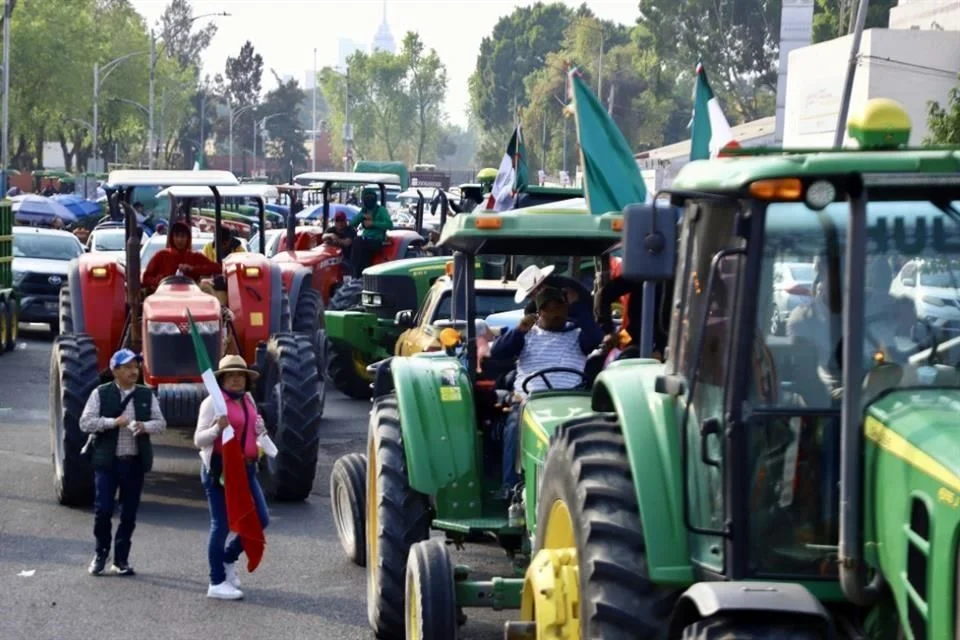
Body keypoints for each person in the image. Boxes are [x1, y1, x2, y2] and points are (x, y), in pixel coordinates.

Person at [489, 286, 602, 496]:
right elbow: (497, 352)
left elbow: (596, 337)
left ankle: (589, 485)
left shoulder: (578, 335)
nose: (555, 314)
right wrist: (519, 330)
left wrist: (580, 307)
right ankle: (510, 485)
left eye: (560, 308)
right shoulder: (526, 335)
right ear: (539, 312)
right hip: (529, 400)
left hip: (571, 399)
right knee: (513, 426)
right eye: (549, 309)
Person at [79, 349, 166, 576]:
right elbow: (85, 423)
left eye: (135, 367)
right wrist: (111, 422)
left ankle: (121, 559)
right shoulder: (101, 393)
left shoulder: (146, 395)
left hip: (134, 463)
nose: (133, 371)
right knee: (103, 510)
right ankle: (101, 553)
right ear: (115, 370)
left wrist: (144, 426)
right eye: (127, 367)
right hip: (107, 464)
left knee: (129, 514)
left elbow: (161, 423)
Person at [194, 355, 270, 601]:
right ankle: (216, 581)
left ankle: (228, 558)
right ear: (222, 379)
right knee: (222, 525)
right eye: (230, 375)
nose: (236, 379)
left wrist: (260, 432)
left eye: (240, 375)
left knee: (261, 518)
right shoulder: (212, 404)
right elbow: (199, 440)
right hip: (220, 471)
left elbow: (252, 433)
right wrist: (216, 428)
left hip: (247, 469)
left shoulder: (248, 399)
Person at [142, 221, 221, 290]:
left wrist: (192, 269)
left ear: (188, 238)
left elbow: (217, 268)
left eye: (183, 236)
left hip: (190, 298)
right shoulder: (161, 255)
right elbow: (146, 278)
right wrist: (158, 280)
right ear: (172, 238)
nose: (179, 240)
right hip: (164, 298)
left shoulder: (195, 256)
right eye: (176, 236)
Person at [348, 187, 393, 275]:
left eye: (371, 198)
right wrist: (362, 216)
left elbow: (389, 225)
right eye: (367, 198)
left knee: (359, 242)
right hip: (366, 240)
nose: (369, 200)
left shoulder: (381, 210)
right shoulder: (364, 211)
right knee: (355, 243)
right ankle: (357, 274)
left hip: (377, 241)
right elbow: (352, 223)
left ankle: (354, 273)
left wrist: (373, 223)